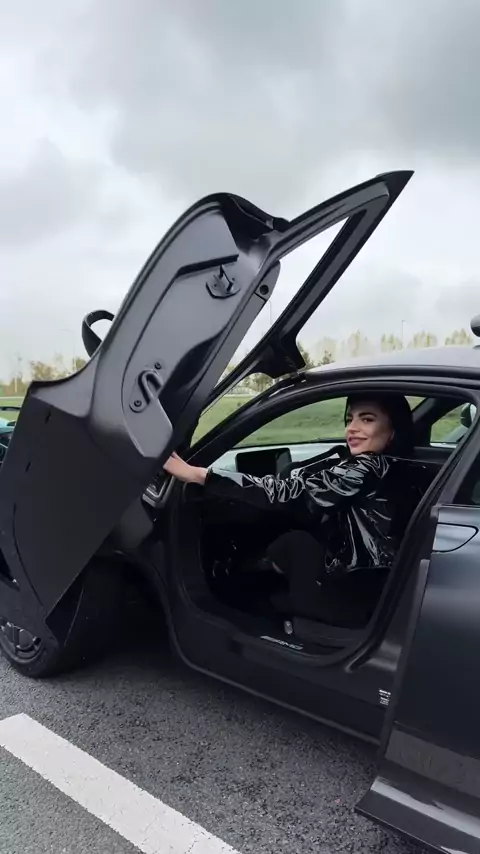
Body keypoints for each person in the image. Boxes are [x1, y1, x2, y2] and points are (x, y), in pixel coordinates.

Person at [164, 394, 426, 628]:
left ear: (393, 431)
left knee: (284, 558)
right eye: (349, 419)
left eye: (367, 419)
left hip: (351, 599)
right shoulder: (404, 468)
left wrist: (201, 475)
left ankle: (235, 585)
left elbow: (288, 492)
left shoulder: (364, 468)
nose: (352, 428)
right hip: (377, 589)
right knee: (296, 543)